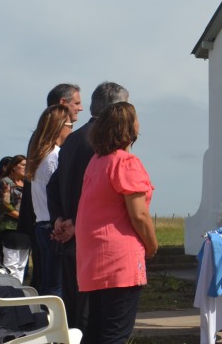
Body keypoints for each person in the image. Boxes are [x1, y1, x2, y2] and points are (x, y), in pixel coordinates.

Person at [76, 101, 157, 344]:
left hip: (94, 256)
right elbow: (139, 214)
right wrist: (152, 245)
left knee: (96, 329)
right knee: (115, 333)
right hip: (120, 259)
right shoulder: (126, 162)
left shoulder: (97, 162)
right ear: (129, 128)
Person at [50, 81, 129, 329]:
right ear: (116, 109)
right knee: (90, 317)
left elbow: (53, 184)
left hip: (68, 236)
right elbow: (94, 191)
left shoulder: (71, 139)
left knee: (74, 311)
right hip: (91, 240)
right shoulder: (104, 143)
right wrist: (75, 223)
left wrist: (59, 219)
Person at [25, 104, 73, 294]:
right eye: (70, 125)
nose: (71, 130)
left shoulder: (39, 155)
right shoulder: (56, 157)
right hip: (54, 226)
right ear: (61, 127)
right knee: (57, 286)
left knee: (47, 282)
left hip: (41, 225)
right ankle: (54, 322)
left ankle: (46, 319)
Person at [0, 155, 30, 282]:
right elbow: (5, 205)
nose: (26, 168)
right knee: (11, 265)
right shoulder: (5, 182)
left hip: (25, 229)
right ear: (14, 166)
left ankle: (18, 293)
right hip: (11, 228)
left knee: (21, 265)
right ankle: (9, 293)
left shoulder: (27, 183)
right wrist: (23, 217)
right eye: (23, 165)